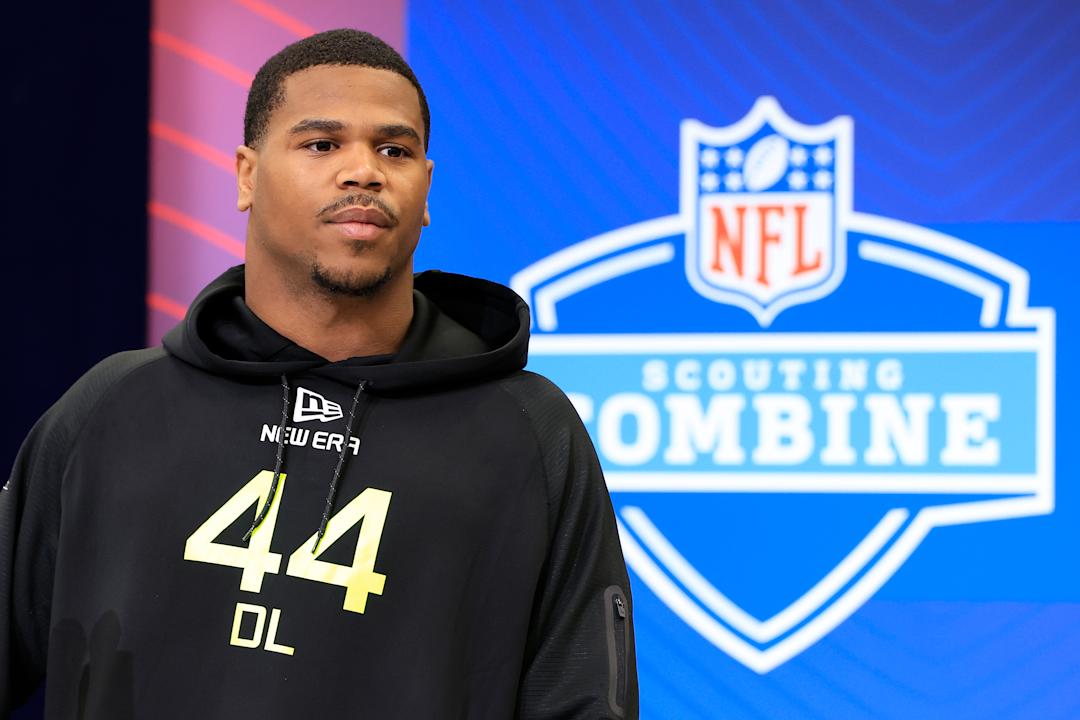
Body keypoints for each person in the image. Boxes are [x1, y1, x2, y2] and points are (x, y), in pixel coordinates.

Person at [0, 29, 637, 719]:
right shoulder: (110, 409)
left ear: (425, 188)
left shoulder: (529, 435)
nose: (363, 171)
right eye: (322, 144)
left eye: (394, 150)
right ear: (247, 174)